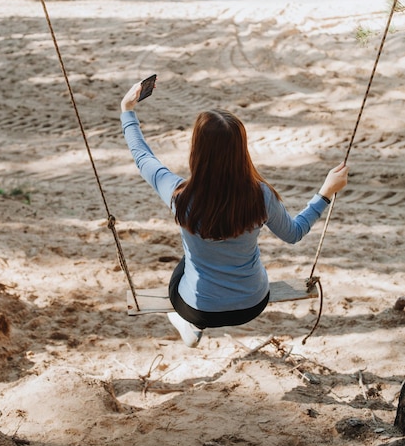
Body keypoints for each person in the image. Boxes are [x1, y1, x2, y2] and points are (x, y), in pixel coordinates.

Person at [120, 80, 349, 348]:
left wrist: (127, 110)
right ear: (241, 150)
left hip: (199, 308)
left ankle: (191, 325)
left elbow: (142, 157)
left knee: (186, 263)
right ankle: (195, 319)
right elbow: (294, 234)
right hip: (252, 304)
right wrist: (325, 193)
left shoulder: (179, 195)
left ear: (198, 151)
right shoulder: (260, 195)